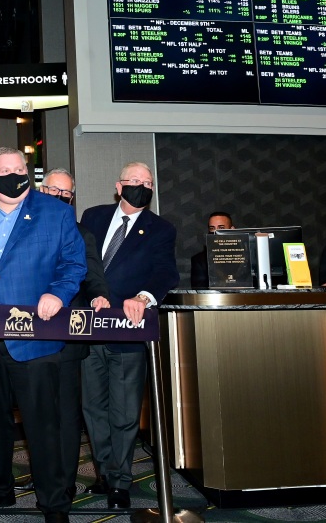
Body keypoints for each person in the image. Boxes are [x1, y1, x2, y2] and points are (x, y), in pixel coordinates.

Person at [0, 147, 86, 523]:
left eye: (20, 168)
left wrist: (57, 294)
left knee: (42, 425)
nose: (14, 175)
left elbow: (74, 263)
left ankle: (53, 502)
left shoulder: (55, 212)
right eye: (5, 170)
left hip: (35, 337)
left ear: (28, 171)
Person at [79, 161, 179, 510]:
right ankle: (105, 473)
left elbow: (166, 271)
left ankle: (120, 481)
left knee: (123, 412)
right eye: (135, 180)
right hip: (89, 330)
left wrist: (144, 297)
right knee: (93, 408)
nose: (142, 185)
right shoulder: (92, 217)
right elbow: (78, 262)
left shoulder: (160, 229)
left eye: (148, 181)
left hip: (128, 331)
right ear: (118, 186)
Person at [36, 169, 110, 499]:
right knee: (37, 413)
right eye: (52, 189)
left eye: (64, 193)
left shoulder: (82, 234)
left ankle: (64, 482)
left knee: (66, 416)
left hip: (67, 340)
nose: (58, 196)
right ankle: (43, 474)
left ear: (71, 198)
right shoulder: (20, 230)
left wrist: (98, 295)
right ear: (41, 189)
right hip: (29, 339)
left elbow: (93, 277)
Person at [189, 211, 234, 288]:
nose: (216, 232)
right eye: (212, 228)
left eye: (221, 228)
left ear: (232, 229)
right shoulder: (200, 261)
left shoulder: (248, 256)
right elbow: (200, 292)